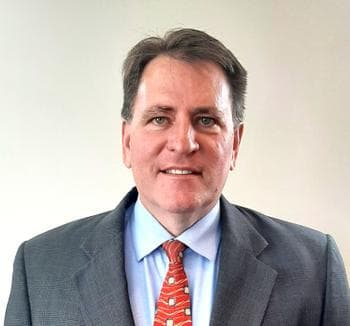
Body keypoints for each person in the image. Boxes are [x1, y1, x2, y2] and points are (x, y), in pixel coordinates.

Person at [5, 28, 350, 326]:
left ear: (235, 144)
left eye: (206, 120)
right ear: (127, 140)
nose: (183, 143)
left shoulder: (313, 267)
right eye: (159, 118)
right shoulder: (40, 270)